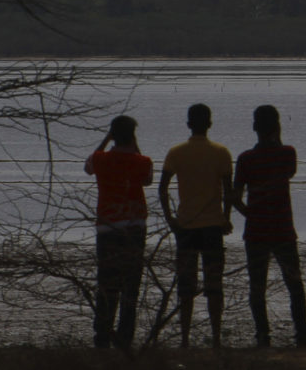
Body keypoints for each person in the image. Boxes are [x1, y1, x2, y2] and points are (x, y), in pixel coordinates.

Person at [233, 105, 306, 347]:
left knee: (257, 286)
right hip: (283, 230)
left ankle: (263, 335)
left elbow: (235, 196)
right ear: (277, 127)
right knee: (294, 283)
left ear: (255, 127)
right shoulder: (287, 154)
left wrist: (250, 214)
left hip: (256, 231)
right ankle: (301, 335)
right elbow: (287, 172)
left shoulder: (246, 159)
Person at [158, 103, 234, 348]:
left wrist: (170, 218)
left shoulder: (176, 152)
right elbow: (228, 191)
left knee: (186, 285)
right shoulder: (221, 152)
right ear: (209, 124)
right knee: (214, 283)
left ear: (189, 124)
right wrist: (225, 217)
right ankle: (216, 336)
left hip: (186, 226)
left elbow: (162, 187)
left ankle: (184, 339)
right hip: (212, 225)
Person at [84, 115, 153, 349]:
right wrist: (133, 146)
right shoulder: (142, 161)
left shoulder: (100, 159)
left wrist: (106, 139)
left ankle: (102, 333)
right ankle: (125, 336)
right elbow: (147, 180)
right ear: (132, 136)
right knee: (131, 283)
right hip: (134, 227)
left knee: (106, 282)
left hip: (107, 227)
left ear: (113, 134)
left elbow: (87, 168)